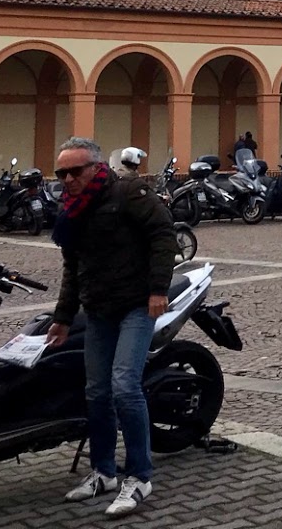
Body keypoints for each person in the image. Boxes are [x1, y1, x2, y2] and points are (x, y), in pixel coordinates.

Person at [48, 136, 177, 518]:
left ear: (95, 167)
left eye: (75, 171)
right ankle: (103, 471)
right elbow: (74, 267)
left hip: (137, 304)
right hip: (99, 309)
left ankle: (139, 476)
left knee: (124, 386)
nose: (68, 179)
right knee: (96, 391)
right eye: (62, 173)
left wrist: (158, 289)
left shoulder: (128, 192)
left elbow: (163, 235)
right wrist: (63, 317)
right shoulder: (72, 209)